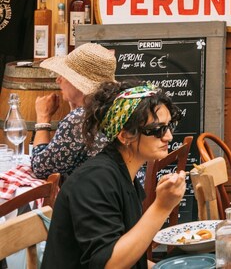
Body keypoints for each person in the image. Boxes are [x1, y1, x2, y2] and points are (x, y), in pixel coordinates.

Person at [41, 82, 186, 269]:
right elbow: (109, 263)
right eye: (157, 130)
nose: (168, 137)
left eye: (168, 126)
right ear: (125, 135)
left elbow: (129, 253)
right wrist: (162, 206)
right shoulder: (94, 181)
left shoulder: (122, 174)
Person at [31, 42, 117, 179]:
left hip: (93, 196)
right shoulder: (111, 106)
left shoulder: (81, 118)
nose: (58, 80)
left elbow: (40, 168)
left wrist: (43, 118)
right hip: (119, 192)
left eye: (64, 75)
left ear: (78, 82)